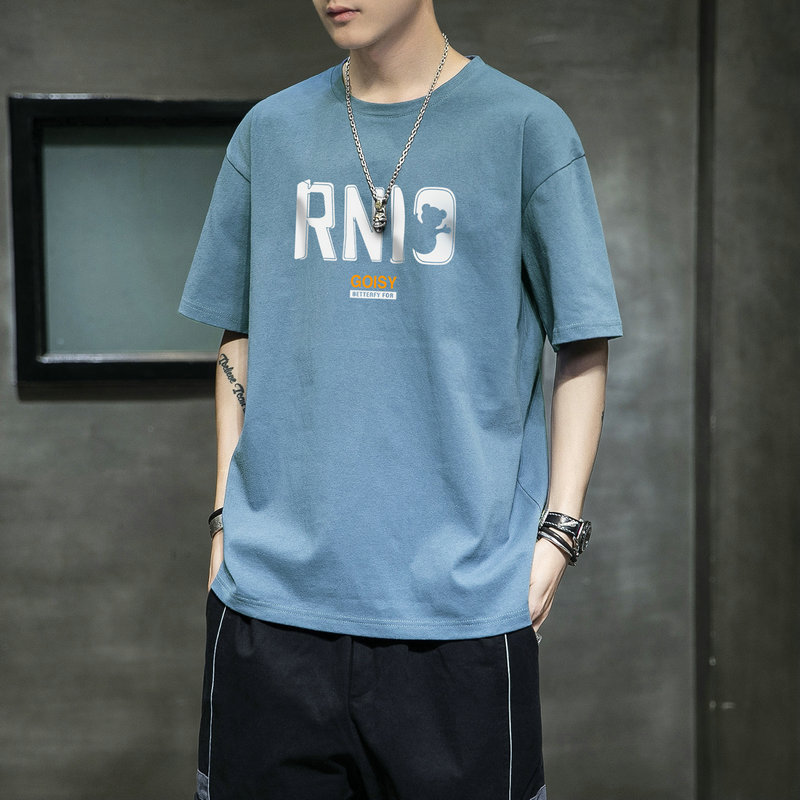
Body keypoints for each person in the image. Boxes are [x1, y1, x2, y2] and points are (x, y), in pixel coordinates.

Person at [179, 2, 622, 798]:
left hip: (460, 615)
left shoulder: (526, 130)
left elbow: (582, 342)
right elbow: (236, 335)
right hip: (271, 612)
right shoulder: (270, 133)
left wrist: (559, 534)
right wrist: (222, 520)